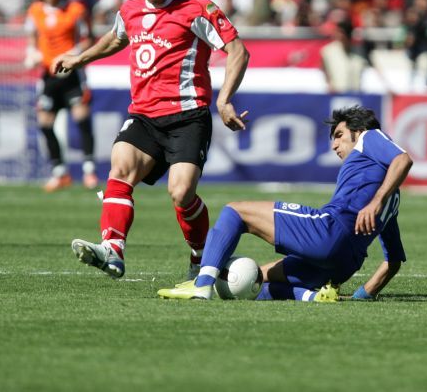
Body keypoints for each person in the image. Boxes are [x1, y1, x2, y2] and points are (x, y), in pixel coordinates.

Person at [51, 0, 250, 280]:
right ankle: (112, 249)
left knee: (181, 192)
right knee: (120, 168)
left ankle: (201, 257)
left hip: (188, 116)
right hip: (143, 115)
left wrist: (224, 98)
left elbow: (237, 51)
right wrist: (79, 58)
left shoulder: (198, 9)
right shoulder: (130, 9)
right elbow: (116, 38)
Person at [157, 105, 412, 302]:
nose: (334, 145)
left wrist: (375, 201)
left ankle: (201, 283)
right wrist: (363, 295)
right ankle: (311, 297)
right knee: (258, 278)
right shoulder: (392, 198)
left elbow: (402, 159)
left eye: (339, 135)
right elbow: (393, 261)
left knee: (235, 211)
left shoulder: (369, 136)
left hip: (329, 233)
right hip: (343, 265)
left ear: (358, 131)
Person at [25, 0, 97, 192]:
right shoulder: (35, 11)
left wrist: (73, 54)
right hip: (49, 76)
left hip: (72, 75)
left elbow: (88, 39)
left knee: (82, 119)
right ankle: (59, 173)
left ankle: (89, 170)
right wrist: (32, 54)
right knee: (45, 124)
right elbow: (32, 40)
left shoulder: (76, 10)